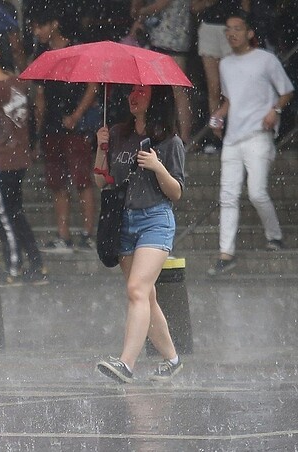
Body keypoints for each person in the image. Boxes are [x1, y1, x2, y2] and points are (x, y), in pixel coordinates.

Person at [94, 84, 186, 383]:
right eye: (132, 91)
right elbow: (101, 182)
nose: (134, 96)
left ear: (155, 98)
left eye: (142, 92)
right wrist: (100, 147)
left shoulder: (169, 141)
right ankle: (172, 360)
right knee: (146, 296)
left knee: (136, 290)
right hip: (124, 221)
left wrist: (158, 167)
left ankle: (126, 364)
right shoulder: (119, 134)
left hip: (155, 220)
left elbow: (176, 193)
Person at [207, 10, 294, 276]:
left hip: (259, 135)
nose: (231, 33)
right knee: (228, 197)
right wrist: (219, 116)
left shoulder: (266, 60)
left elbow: (287, 91)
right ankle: (226, 253)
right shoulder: (225, 65)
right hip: (233, 138)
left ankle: (275, 235)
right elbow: (230, 100)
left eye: (237, 28)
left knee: (256, 192)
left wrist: (274, 111)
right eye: (228, 29)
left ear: (250, 33)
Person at [0, 41, 48, 285]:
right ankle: (36, 263)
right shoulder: (20, 85)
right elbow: (33, 116)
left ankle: (13, 266)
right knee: (16, 212)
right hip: (20, 158)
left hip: (1, 160)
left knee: (4, 215)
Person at [31, 9, 97, 253]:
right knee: (57, 183)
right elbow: (39, 95)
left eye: (40, 26)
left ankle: (88, 234)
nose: (37, 32)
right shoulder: (41, 53)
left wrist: (77, 115)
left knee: (82, 181)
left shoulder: (76, 50)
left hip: (75, 125)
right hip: (51, 124)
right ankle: (64, 236)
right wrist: (38, 131)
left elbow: (92, 86)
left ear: (55, 24)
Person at [131, 0, 193, 145]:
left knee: (178, 89)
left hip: (173, 39)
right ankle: (165, 131)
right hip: (161, 39)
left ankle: (184, 136)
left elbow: (160, 4)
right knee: (163, 89)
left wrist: (140, 11)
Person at [191, 0, 249, 154]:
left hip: (232, 28)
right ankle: (216, 136)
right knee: (214, 88)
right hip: (209, 27)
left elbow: (246, 6)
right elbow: (194, 7)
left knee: (233, 86)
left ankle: (235, 132)